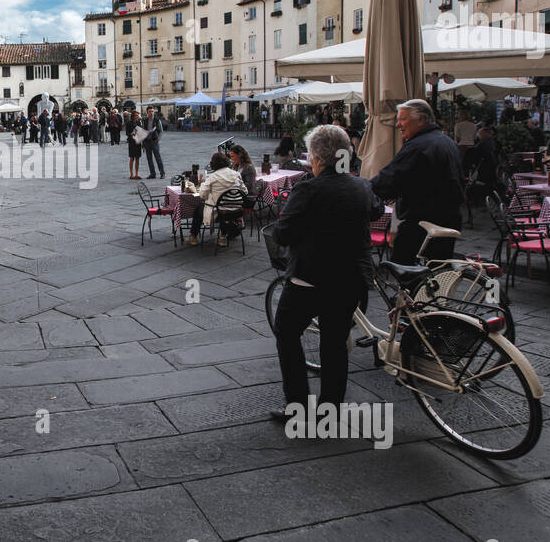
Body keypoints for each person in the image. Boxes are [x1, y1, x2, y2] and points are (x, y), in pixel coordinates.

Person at [271, 124, 384, 413]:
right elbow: (376, 210)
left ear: (317, 159)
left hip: (311, 278)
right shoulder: (361, 186)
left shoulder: (308, 189)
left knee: (286, 331)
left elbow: (283, 234)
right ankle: (329, 407)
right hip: (352, 279)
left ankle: (298, 405)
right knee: (334, 343)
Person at [370, 99, 463, 264]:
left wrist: (362, 190)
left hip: (423, 221)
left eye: (403, 119)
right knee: (437, 271)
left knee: (402, 268)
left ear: (421, 120)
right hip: (448, 217)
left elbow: (389, 179)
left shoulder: (419, 145)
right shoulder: (446, 141)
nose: (398, 124)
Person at [187, 152, 244, 247]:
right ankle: (223, 237)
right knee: (222, 205)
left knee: (199, 208)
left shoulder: (212, 177)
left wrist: (203, 186)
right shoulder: (237, 174)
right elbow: (244, 192)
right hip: (237, 210)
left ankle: (193, 236)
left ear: (213, 164)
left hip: (219, 212)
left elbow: (202, 195)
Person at [142, 107, 165, 179]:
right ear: (147, 112)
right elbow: (143, 131)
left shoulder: (157, 120)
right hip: (147, 142)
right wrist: (143, 143)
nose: (151, 113)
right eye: (150, 111)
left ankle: (162, 173)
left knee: (158, 158)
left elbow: (161, 130)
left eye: (152, 111)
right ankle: (152, 173)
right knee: (149, 159)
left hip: (154, 141)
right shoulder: (145, 120)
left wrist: (158, 138)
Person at [125, 109, 142, 179]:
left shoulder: (139, 123)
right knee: (132, 158)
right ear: (132, 116)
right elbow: (127, 133)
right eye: (135, 115)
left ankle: (137, 174)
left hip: (138, 141)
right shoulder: (129, 123)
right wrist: (131, 134)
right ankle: (131, 174)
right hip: (132, 142)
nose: (136, 116)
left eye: (137, 115)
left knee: (137, 158)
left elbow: (140, 131)